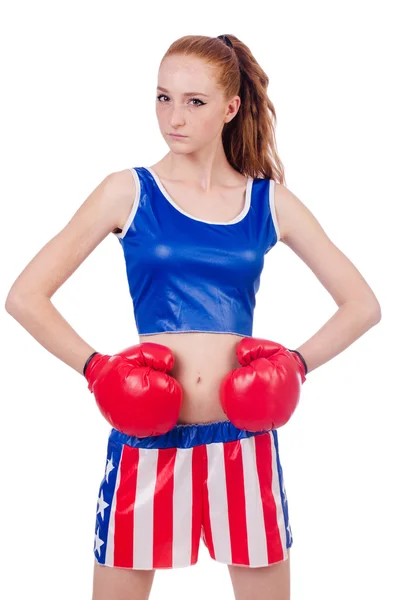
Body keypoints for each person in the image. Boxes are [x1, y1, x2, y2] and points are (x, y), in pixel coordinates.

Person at [5, 33, 381, 600]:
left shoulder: (268, 201)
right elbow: (25, 296)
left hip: (245, 436)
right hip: (147, 433)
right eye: (163, 97)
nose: (173, 117)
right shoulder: (127, 191)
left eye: (194, 101)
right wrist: (98, 370)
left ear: (231, 108)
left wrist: (296, 366)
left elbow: (363, 304)